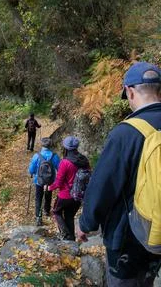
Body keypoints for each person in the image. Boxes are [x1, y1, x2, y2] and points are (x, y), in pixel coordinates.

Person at [78, 61, 161, 286]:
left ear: (130, 91)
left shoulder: (126, 133)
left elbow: (103, 187)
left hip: (128, 239)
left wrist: (85, 224)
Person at [48, 136, 90, 241]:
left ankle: (66, 235)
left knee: (56, 212)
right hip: (78, 196)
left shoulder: (65, 162)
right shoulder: (84, 160)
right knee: (69, 216)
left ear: (65, 148)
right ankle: (71, 239)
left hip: (65, 195)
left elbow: (58, 182)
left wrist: (50, 187)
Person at [28, 137, 60, 226]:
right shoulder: (54, 156)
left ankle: (38, 216)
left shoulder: (37, 155)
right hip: (50, 181)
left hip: (39, 181)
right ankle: (46, 210)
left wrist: (32, 173)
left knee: (38, 198)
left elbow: (31, 169)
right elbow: (59, 168)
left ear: (42, 145)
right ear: (50, 145)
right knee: (48, 196)